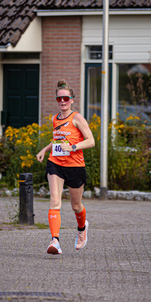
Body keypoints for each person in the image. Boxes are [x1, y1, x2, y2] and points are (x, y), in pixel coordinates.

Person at [36, 79, 95, 255]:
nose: (62, 102)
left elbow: (91, 141)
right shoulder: (55, 119)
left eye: (66, 99)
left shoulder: (77, 118)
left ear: (72, 100)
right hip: (56, 163)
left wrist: (74, 147)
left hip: (75, 166)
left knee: (76, 206)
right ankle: (55, 240)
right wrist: (44, 150)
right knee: (55, 200)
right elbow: (57, 140)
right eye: (59, 99)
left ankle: (82, 228)